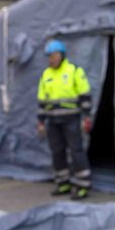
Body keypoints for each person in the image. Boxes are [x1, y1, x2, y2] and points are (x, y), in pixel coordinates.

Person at [36, 39, 93, 199]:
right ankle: (63, 183)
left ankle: (82, 186)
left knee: (76, 151)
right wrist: (41, 121)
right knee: (57, 152)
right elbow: (42, 101)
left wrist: (86, 117)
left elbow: (85, 95)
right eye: (49, 56)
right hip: (53, 122)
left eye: (53, 56)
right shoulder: (46, 75)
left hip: (72, 120)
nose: (51, 59)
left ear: (61, 55)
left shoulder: (74, 71)